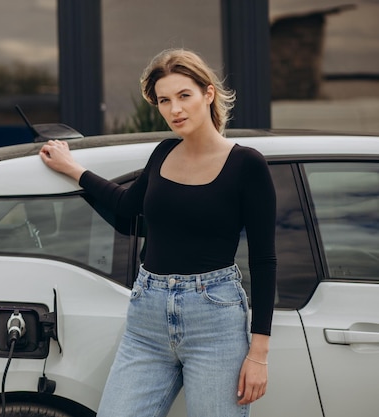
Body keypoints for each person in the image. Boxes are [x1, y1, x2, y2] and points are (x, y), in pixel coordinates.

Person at [39, 48, 276, 417]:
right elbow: (125, 208)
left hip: (214, 319)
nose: (174, 110)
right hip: (147, 316)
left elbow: (264, 259)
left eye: (184, 96)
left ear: (208, 94)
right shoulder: (164, 152)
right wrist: (73, 168)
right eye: (164, 101)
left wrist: (258, 354)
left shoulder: (247, 164)